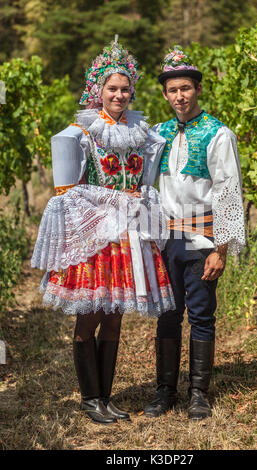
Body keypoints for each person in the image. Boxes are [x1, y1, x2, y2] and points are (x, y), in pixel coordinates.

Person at [31, 37, 175, 425]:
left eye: (126, 88)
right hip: (95, 238)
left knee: (115, 318)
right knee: (90, 316)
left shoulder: (140, 132)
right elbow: (66, 193)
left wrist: (141, 198)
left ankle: (105, 398)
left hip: (128, 236)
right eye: (113, 88)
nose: (120, 94)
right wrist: (111, 200)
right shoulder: (82, 132)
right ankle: (89, 397)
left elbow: (144, 180)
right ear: (98, 90)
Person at [144, 46, 246, 420]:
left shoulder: (219, 134)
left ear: (198, 89)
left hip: (202, 238)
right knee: (167, 314)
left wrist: (222, 249)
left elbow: (229, 193)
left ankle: (198, 393)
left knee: (202, 314)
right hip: (167, 237)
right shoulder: (158, 134)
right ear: (166, 94)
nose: (179, 96)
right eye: (172, 90)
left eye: (185, 88)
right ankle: (165, 391)